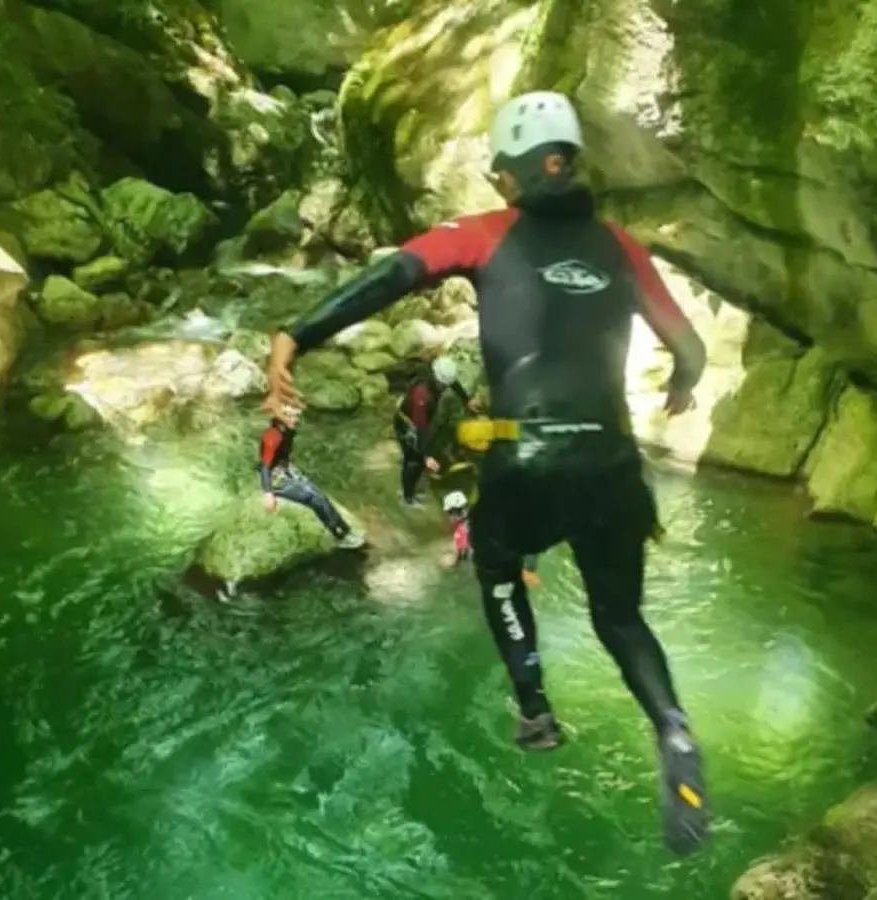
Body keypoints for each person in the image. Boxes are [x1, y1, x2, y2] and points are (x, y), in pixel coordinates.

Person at [260, 90, 710, 855]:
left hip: (528, 466)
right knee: (621, 617)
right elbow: (689, 346)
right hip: (611, 468)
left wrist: (292, 336)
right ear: (570, 166)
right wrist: (681, 386)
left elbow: (391, 277)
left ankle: (535, 708)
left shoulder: (483, 234)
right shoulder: (621, 247)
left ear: (509, 175)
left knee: (498, 563)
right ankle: (672, 728)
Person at [258, 406, 366, 549]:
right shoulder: (272, 437)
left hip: (285, 469)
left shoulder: (287, 431)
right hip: (275, 477)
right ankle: (338, 535)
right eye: (290, 416)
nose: (295, 420)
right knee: (310, 497)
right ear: (280, 419)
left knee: (320, 496)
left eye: (296, 416)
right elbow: (264, 465)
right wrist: (268, 493)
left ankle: (345, 530)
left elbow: (283, 455)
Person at [394, 355, 479, 506]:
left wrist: (467, 400)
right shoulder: (422, 396)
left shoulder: (435, 373)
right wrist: (425, 456)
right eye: (443, 385)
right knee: (413, 460)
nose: (445, 388)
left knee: (424, 453)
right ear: (436, 379)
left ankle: (414, 481)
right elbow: (421, 427)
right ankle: (407, 497)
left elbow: (453, 383)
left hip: (419, 418)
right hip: (407, 424)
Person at [442, 490, 539, 587]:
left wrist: (450, 563)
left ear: (454, 513)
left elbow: (460, 556)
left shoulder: (461, 532)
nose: (448, 517)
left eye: (448, 513)